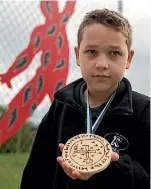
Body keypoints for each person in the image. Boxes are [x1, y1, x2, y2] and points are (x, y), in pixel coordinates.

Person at [20, 8, 150, 189]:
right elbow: (37, 172)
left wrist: (112, 166)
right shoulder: (61, 106)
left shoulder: (144, 110)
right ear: (77, 55)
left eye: (114, 53)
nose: (102, 64)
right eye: (91, 51)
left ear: (129, 58)